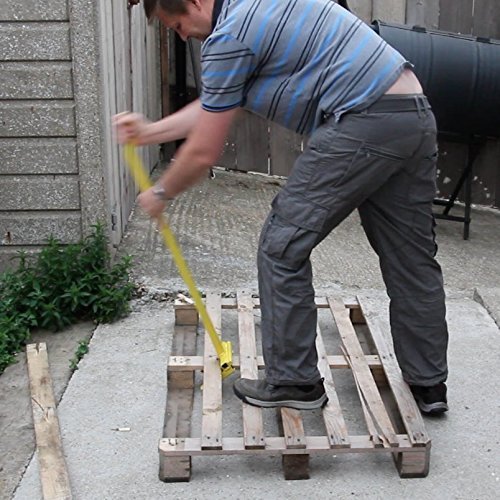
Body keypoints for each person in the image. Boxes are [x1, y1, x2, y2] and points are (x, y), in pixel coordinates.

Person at [114, 0, 449, 415]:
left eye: (178, 24)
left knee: (282, 245)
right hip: (412, 113)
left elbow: (202, 152)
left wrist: (161, 192)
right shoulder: (256, 10)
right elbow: (216, 105)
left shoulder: (228, 36)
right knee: (410, 257)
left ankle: (295, 380)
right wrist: (149, 132)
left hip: (362, 118)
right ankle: (429, 384)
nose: (182, 36)